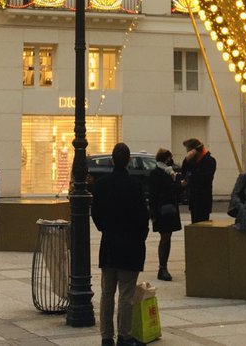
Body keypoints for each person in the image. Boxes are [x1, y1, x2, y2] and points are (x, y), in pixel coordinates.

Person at [91, 143, 150, 346]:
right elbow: (142, 216)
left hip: (109, 244)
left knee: (107, 293)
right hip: (130, 245)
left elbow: (96, 213)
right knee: (126, 293)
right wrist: (140, 236)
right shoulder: (135, 185)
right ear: (129, 161)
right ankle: (124, 335)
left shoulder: (101, 184)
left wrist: (105, 228)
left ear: (112, 160)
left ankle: (106, 336)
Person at [148, 148, 182, 281]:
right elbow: (154, 195)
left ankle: (163, 267)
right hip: (163, 211)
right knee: (165, 239)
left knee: (167, 238)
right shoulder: (159, 173)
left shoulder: (167, 172)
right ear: (167, 159)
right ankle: (162, 267)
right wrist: (153, 214)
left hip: (167, 211)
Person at [180, 138, 216, 223]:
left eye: (188, 150)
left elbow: (203, 179)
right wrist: (186, 160)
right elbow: (183, 173)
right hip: (194, 198)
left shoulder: (209, 161)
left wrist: (190, 178)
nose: (187, 153)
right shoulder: (193, 161)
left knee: (202, 225)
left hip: (203, 199)